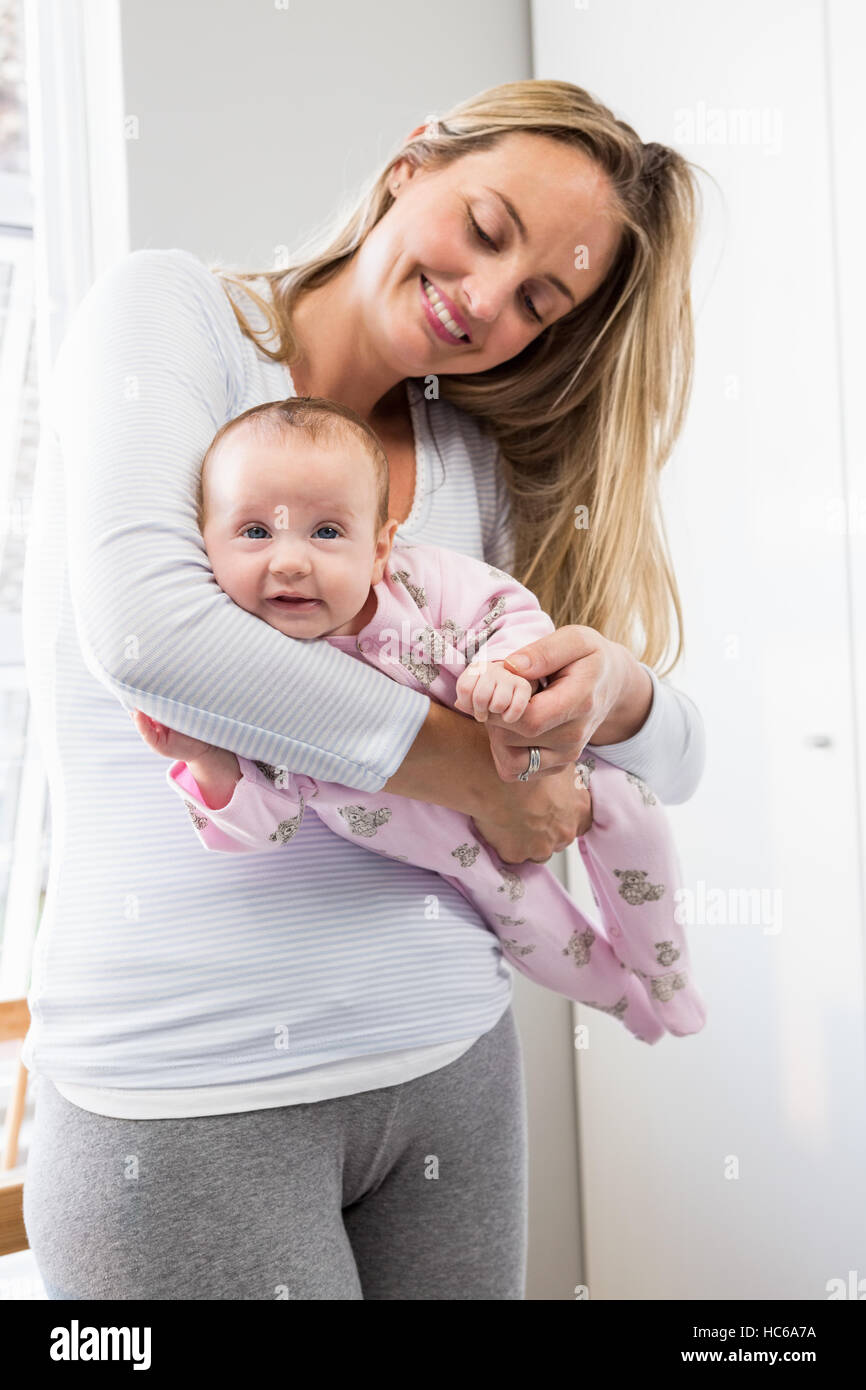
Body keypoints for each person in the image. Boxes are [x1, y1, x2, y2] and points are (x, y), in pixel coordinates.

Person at [21, 80, 706, 1300]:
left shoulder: (469, 459)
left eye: (539, 298)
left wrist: (621, 696)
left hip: (448, 1073)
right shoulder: (174, 315)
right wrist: (478, 782)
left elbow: (672, 763)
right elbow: (150, 634)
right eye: (486, 230)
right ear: (411, 162)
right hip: (184, 1100)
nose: (486, 299)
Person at [133, 394, 706, 1042]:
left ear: (379, 549)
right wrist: (208, 761)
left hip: (540, 761)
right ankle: (625, 1005)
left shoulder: (417, 583)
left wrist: (503, 668)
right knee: (537, 930)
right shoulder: (243, 680)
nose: (290, 560)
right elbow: (267, 827)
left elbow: (502, 608)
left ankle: (666, 969)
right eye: (255, 532)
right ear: (207, 546)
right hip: (454, 855)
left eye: (325, 532)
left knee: (632, 807)